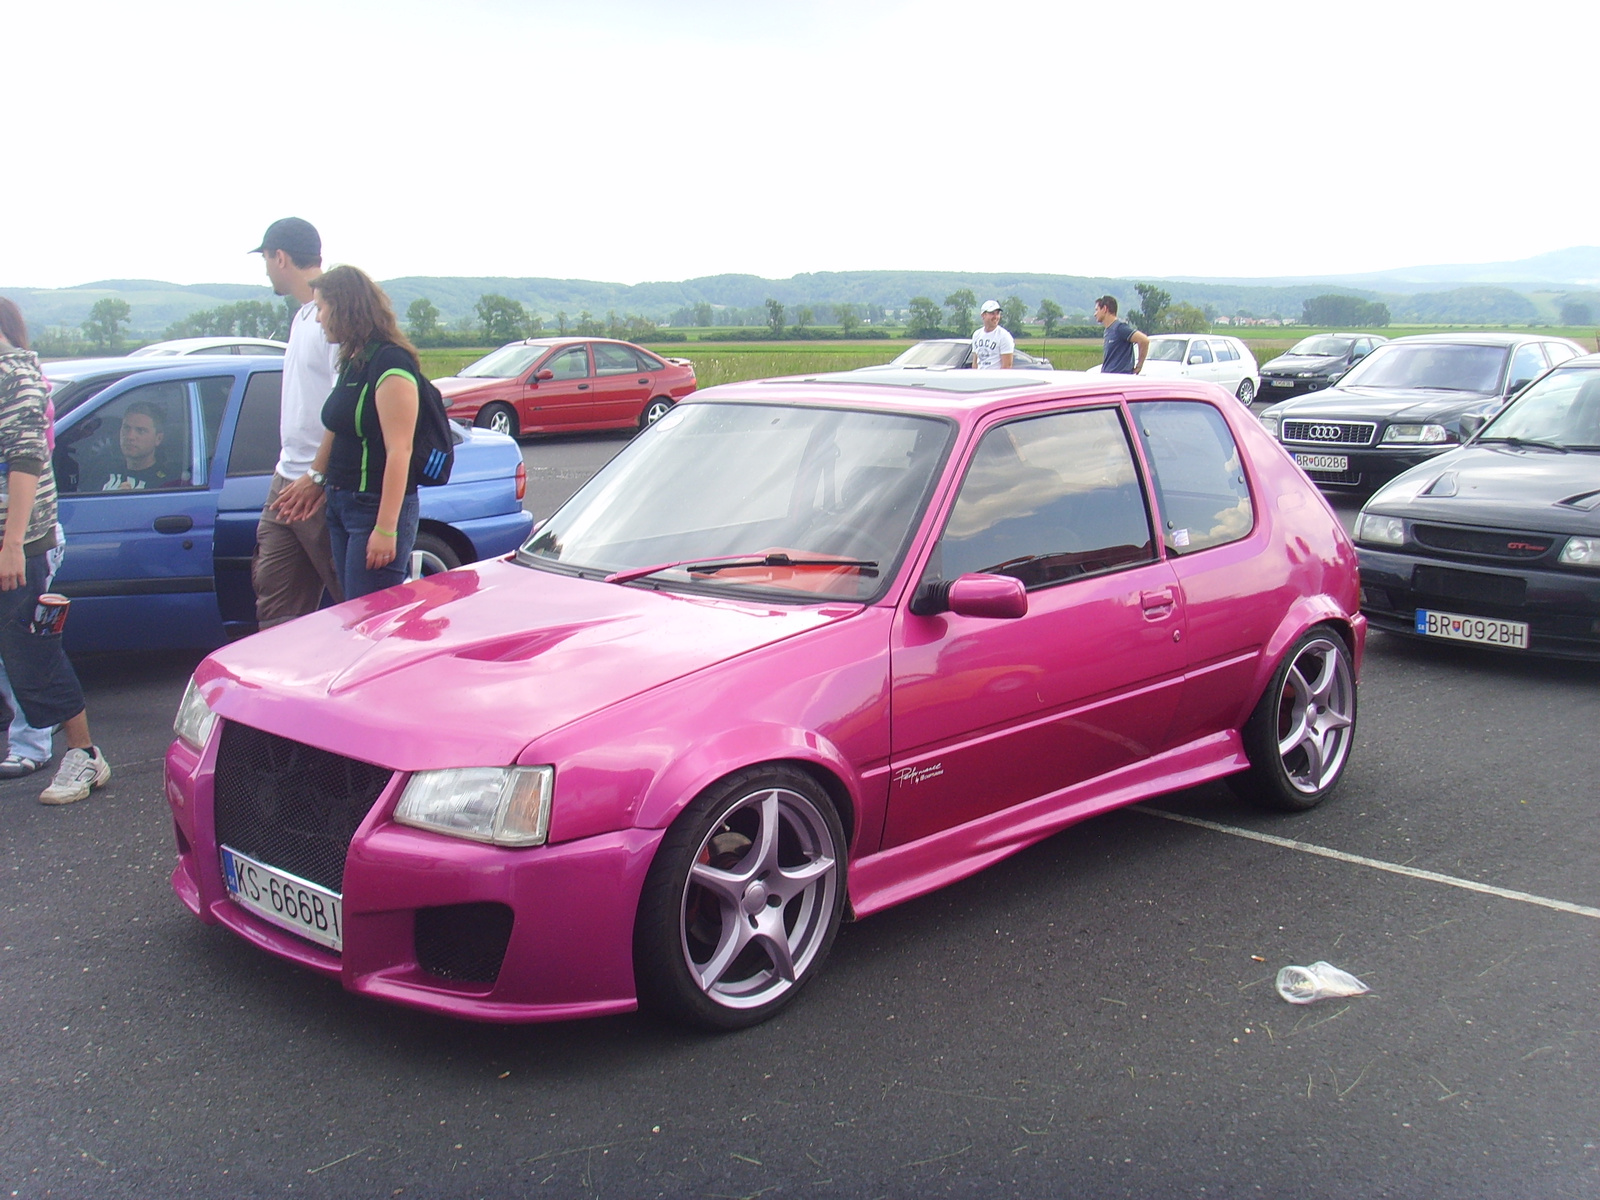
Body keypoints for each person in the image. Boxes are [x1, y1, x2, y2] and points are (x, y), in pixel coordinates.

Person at [0, 298, 111, 804]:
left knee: (33, 651)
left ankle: (84, 755)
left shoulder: (16, 378)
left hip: (20, 546)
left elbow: (25, 462)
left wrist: (12, 546)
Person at [303, 265, 422, 600]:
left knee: (370, 619)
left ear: (343, 308)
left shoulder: (390, 363)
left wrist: (386, 529)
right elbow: (337, 427)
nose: (318, 319)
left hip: (371, 509)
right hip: (342, 502)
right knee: (351, 617)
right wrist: (316, 478)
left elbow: (401, 450)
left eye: (321, 309)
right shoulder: (354, 359)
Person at [251, 217, 343, 627]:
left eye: (267, 259)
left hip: (320, 486)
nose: (266, 269)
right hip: (285, 479)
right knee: (275, 608)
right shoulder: (304, 316)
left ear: (281, 257)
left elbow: (346, 407)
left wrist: (318, 477)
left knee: (357, 605)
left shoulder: (334, 318)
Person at [101, 401, 175, 490]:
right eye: (126, 428)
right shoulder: (103, 469)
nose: (130, 436)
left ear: (158, 438)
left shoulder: (166, 484)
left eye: (141, 431)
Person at [1094, 295, 1149, 375]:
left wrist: (1139, 366)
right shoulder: (1108, 330)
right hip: (1108, 376)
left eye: (1097, 310)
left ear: (1105, 309)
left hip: (1119, 377)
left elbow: (1144, 340)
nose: (1095, 314)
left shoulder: (1120, 328)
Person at [971, 299, 1014, 370]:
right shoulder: (976, 334)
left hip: (995, 379)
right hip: (980, 378)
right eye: (992, 313)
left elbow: (1007, 366)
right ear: (983, 315)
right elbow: (975, 362)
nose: (996, 317)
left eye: (997, 313)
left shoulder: (1004, 336)